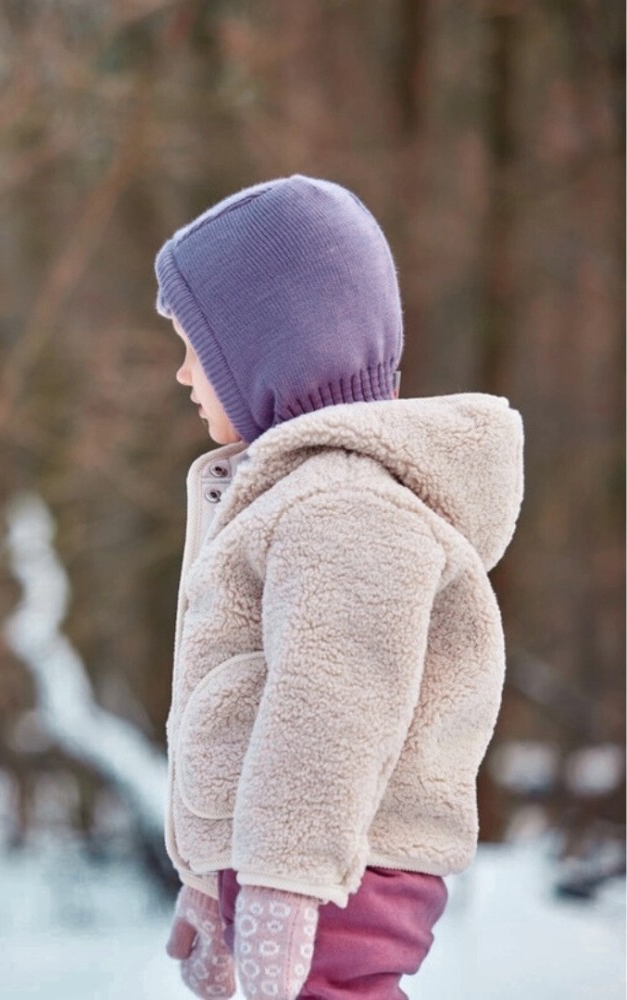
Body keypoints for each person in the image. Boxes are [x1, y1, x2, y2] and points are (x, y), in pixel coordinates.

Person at [155, 176, 523, 999]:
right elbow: (247, 707)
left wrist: (282, 882)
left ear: (266, 347)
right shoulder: (293, 496)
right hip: (306, 855)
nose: (182, 375)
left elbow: (333, 704)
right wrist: (212, 884)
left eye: (195, 349)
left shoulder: (344, 503)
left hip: (341, 864)